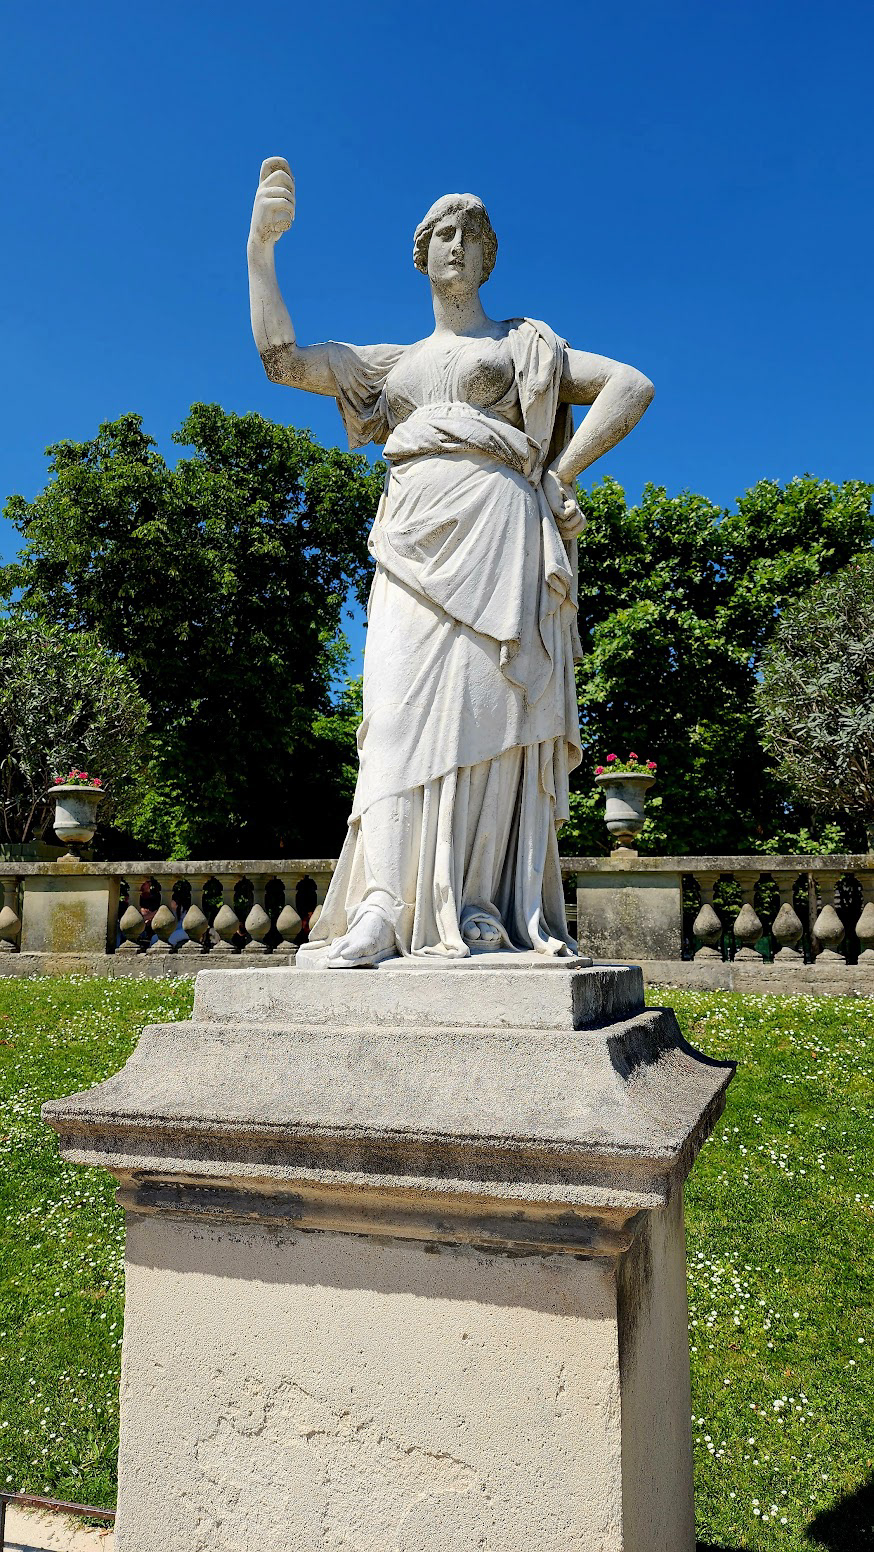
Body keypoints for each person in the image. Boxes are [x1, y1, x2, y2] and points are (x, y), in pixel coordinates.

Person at [248, 158, 654, 967]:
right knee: (394, 716)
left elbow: (630, 387)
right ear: (421, 253)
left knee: (490, 717)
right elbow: (281, 359)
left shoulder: (522, 346)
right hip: (409, 546)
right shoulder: (389, 365)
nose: (456, 243)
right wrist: (261, 249)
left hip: (501, 539)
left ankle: (475, 904)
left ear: (488, 257)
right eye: (441, 232)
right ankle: (381, 908)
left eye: (471, 233)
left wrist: (554, 475)